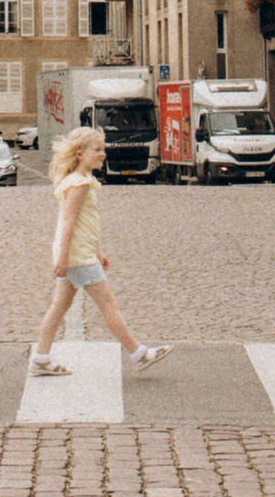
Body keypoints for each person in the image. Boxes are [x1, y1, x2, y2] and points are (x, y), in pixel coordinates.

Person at [28, 126, 171, 377]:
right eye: (97, 149)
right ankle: (138, 353)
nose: (102, 153)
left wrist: (97, 252)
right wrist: (66, 257)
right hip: (77, 256)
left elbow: (83, 225)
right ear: (80, 154)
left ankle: (41, 356)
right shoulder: (80, 183)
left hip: (78, 254)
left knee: (59, 306)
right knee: (108, 304)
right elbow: (68, 222)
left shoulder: (76, 180)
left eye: (102, 149)